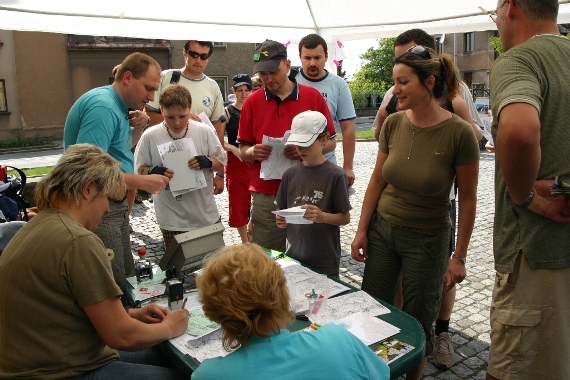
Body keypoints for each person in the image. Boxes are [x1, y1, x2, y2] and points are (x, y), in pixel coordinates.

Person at [0, 144, 189, 379]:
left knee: (164, 354)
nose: (108, 209)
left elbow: (68, 309)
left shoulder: (41, 224)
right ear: (88, 190)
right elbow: (122, 336)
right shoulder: (77, 241)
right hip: (54, 371)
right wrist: (170, 327)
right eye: (107, 198)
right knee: (183, 374)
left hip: (43, 358)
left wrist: (130, 314)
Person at [350, 46, 479, 379]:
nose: (395, 90)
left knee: (418, 323)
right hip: (383, 232)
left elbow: (467, 199)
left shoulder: (459, 133)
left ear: (429, 83)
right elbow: (377, 180)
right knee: (372, 311)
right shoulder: (393, 124)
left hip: (427, 240)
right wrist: (362, 229)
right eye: (394, 82)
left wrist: (459, 256)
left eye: (403, 82)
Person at [486, 1, 570, 379]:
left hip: (535, 257)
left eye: (495, 13)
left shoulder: (520, 60)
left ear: (511, 7)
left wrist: (528, 196)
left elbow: (520, 132)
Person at [191, 243, 390, 380]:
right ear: (282, 293)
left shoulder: (208, 375)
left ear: (215, 312)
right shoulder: (339, 340)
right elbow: (382, 373)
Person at [64, 52, 169, 292]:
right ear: (128, 77)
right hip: (99, 205)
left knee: (125, 278)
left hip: (113, 205)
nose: (151, 97)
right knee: (112, 285)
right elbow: (89, 170)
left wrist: (140, 127)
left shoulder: (118, 106)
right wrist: (141, 181)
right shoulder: (103, 107)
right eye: (148, 88)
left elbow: (119, 152)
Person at [237, 39, 337, 252]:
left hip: (308, 189)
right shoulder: (252, 103)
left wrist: (305, 151)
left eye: (273, 72)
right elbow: (242, 150)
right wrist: (252, 152)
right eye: (262, 74)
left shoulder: (312, 97)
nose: (268, 78)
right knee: (267, 257)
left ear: (287, 65)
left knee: (309, 253)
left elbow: (331, 142)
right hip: (267, 193)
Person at [135, 84, 226, 248]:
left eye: (182, 116)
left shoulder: (204, 131)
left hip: (205, 215)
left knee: (215, 267)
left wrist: (208, 162)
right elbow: (139, 171)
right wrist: (151, 172)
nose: (177, 123)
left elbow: (221, 161)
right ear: (162, 111)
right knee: (179, 271)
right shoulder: (150, 136)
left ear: (189, 108)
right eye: (170, 117)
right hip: (172, 220)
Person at [275, 111, 351, 276]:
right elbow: (282, 210)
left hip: (324, 259)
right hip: (294, 255)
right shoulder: (289, 174)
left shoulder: (336, 175)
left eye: (306, 144)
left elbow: (345, 218)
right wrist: (281, 219)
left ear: (324, 140)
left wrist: (322, 217)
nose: (300, 150)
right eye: (297, 144)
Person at [146, 40, 226, 195]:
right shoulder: (167, 77)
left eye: (203, 56)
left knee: (200, 206)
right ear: (185, 53)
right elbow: (149, 116)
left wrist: (220, 173)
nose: (198, 60)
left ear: (208, 58)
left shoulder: (213, 86)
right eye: (194, 54)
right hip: (169, 156)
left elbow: (218, 134)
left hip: (200, 160)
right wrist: (181, 118)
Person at [295, 33, 356, 187]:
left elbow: (347, 127)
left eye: (317, 57)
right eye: (307, 58)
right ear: (300, 57)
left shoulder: (338, 84)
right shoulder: (291, 81)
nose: (312, 63)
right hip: (293, 163)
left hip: (325, 161)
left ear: (326, 57)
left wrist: (348, 166)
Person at [222, 74, 253, 243]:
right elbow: (217, 141)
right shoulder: (227, 112)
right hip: (236, 164)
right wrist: (233, 148)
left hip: (255, 162)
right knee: (239, 204)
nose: (244, 93)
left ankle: (254, 234)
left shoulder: (256, 109)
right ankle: (245, 242)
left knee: (258, 203)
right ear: (233, 91)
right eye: (240, 90)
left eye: (247, 90)